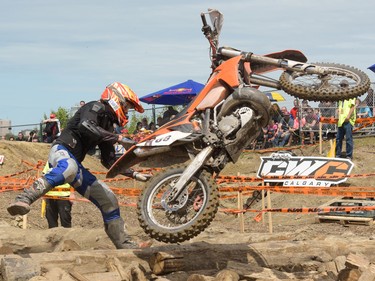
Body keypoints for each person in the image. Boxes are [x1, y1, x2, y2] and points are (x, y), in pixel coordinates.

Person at [7, 82, 150, 249]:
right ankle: (25, 197)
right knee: (69, 167)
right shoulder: (95, 106)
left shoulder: (108, 126)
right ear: (115, 98)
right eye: (126, 106)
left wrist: (134, 174)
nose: (127, 111)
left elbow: (109, 160)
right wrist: (118, 138)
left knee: (109, 199)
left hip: (74, 164)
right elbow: (86, 126)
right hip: (61, 150)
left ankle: (124, 244)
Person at [42, 162, 72, 228]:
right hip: (50, 195)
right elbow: (44, 176)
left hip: (63, 195)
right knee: (51, 221)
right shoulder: (50, 161)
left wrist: (72, 193)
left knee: (65, 220)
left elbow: (73, 177)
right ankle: (52, 237)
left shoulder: (68, 161)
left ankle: (67, 237)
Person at [335, 80, 356, 160]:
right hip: (341, 121)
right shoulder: (340, 97)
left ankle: (349, 155)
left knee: (348, 138)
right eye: (341, 85)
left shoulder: (351, 95)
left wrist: (348, 117)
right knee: (338, 139)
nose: (342, 87)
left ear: (347, 86)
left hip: (348, 121)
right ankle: (338, 154)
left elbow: (352, 106)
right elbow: (340, 108)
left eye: (344, 85)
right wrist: (337, 113)